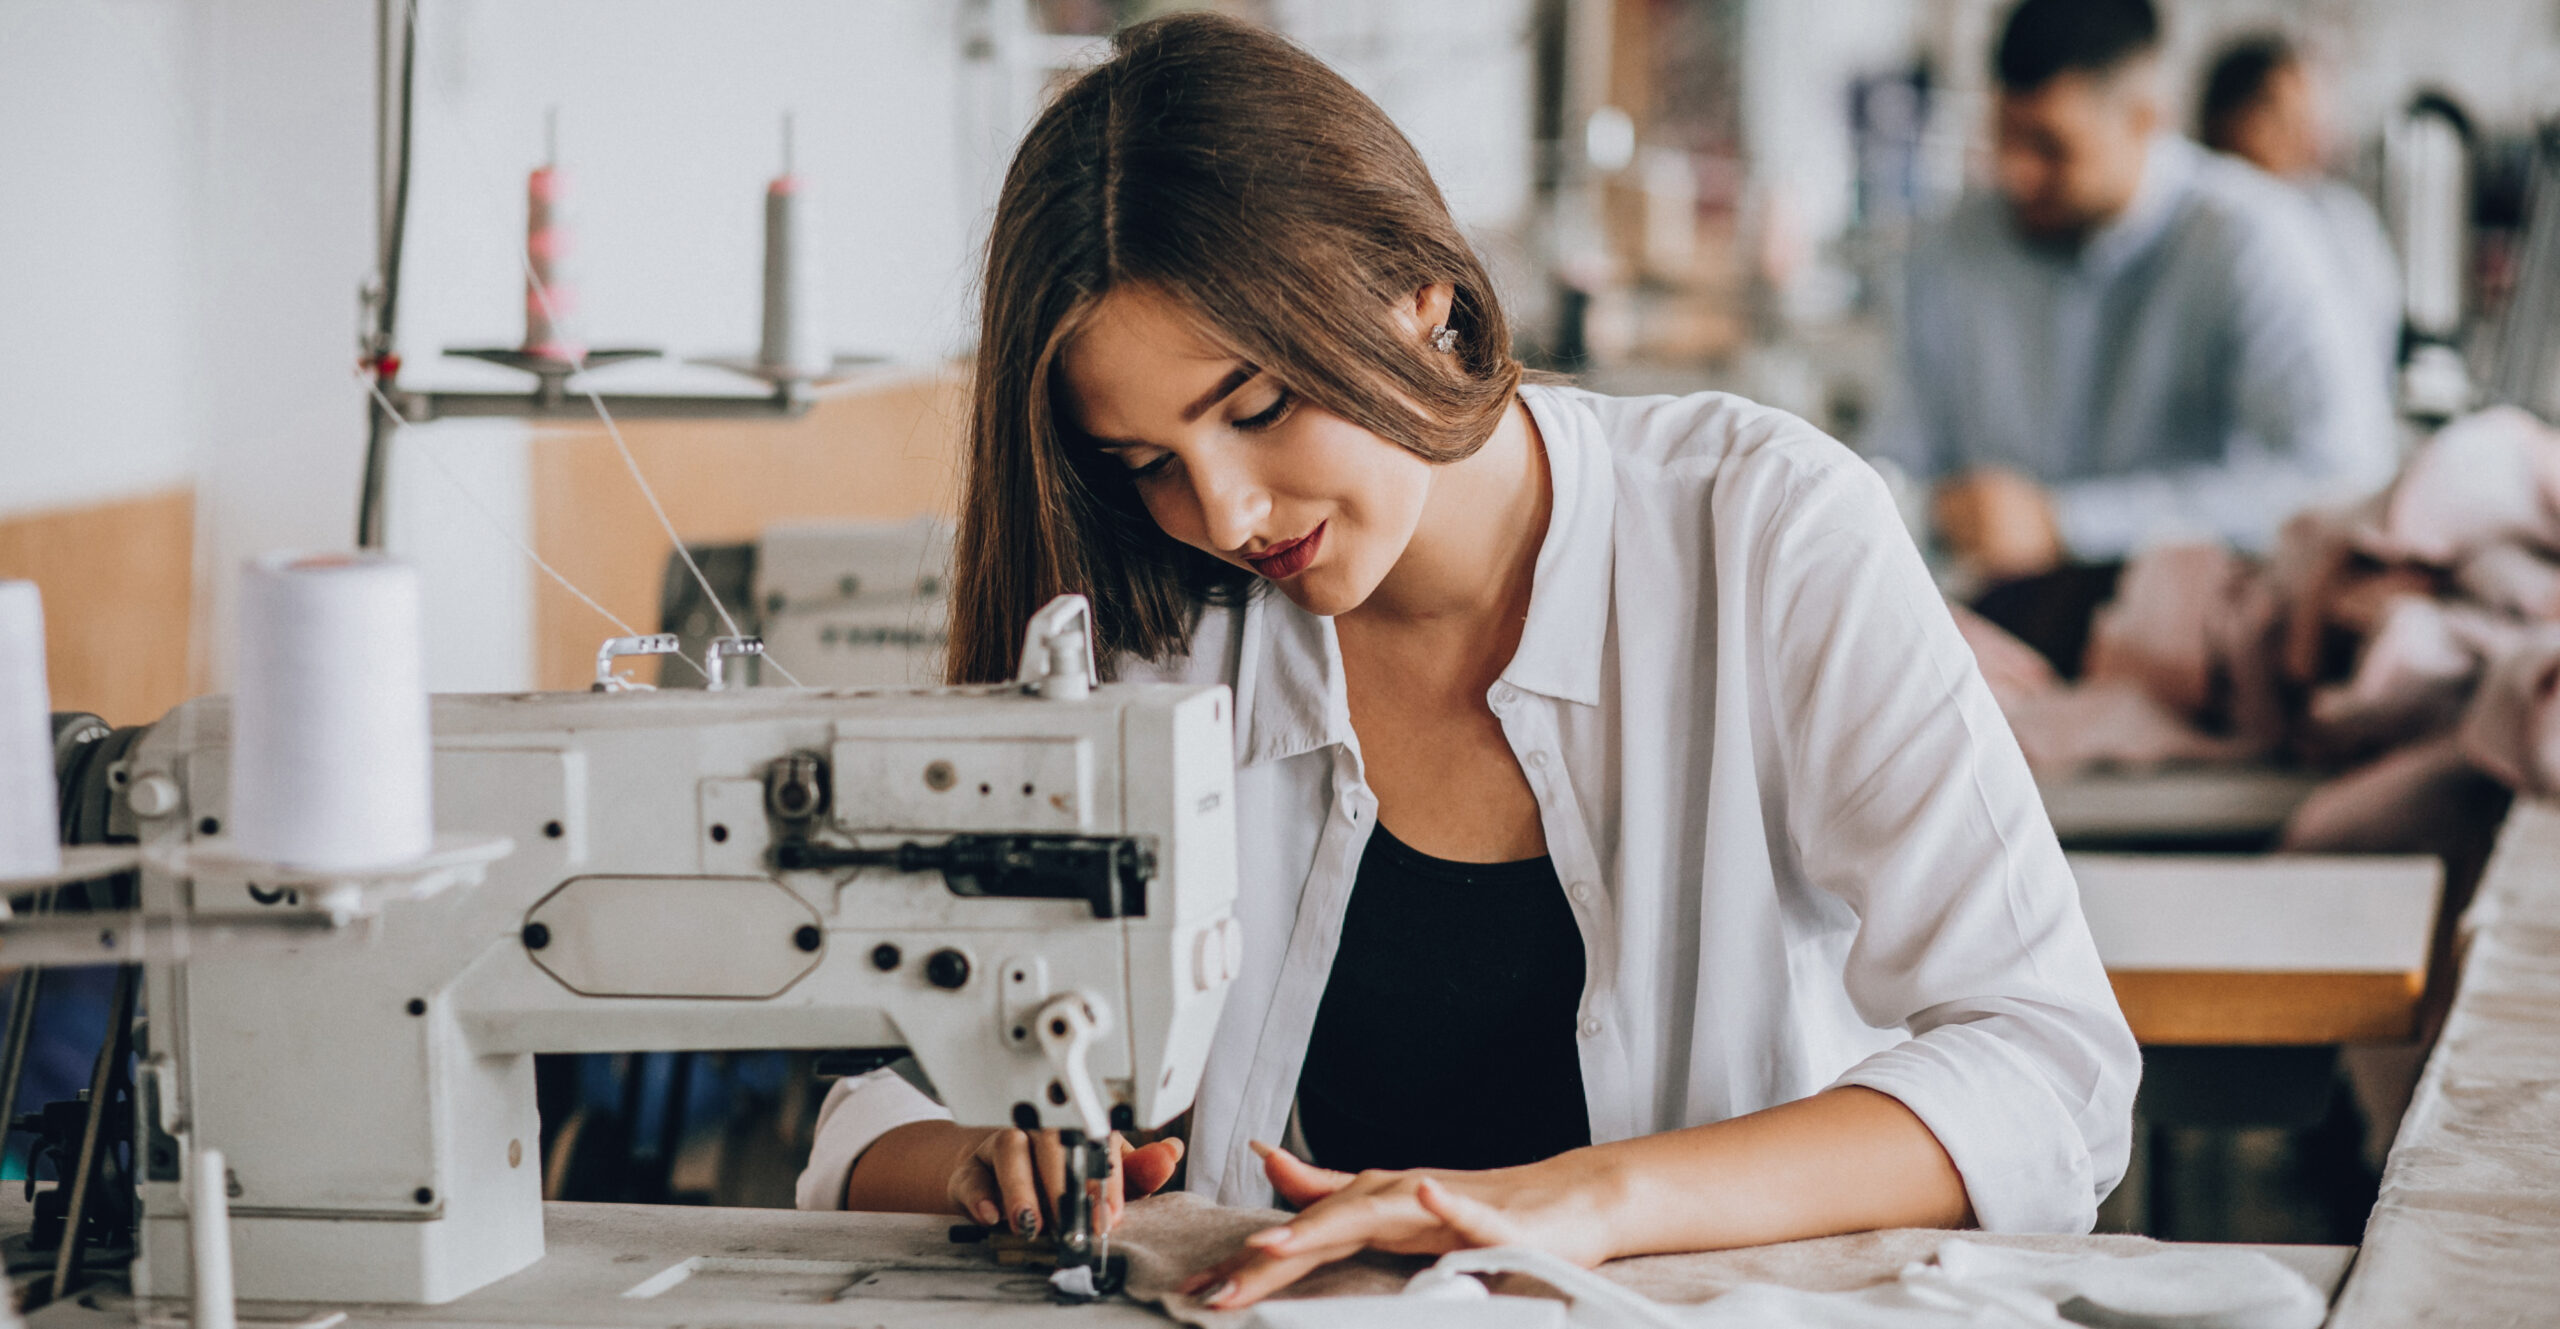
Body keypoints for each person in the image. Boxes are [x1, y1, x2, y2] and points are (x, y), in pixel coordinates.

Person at [797, 13, 2138, 1311]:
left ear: (1418, 291)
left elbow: (2050, 1074)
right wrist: (981, 1157)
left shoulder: (1764, 532)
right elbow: (884, 1096)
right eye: (1147, 464)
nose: (1224, 513)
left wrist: (1587, 1201)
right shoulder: (1167, 621)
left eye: (1259, 408)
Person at [1877, 0, 2394, 589]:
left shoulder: (2253, 240)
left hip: (2195, 635)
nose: (2017, 173)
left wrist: (2066, 524)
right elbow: (1894, 464)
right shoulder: (1952, 248)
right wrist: (1929, 513)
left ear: (2146, 119)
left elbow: (2338, 479)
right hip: (1985, 621)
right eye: (2005, 137)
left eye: (2050, 146)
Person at [2199, 32, 2402, 376]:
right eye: (2290, 118)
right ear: (2241, 120)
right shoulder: (2194, 224)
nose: (2309, 135)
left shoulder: (2340, 219)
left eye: (2309, 118)